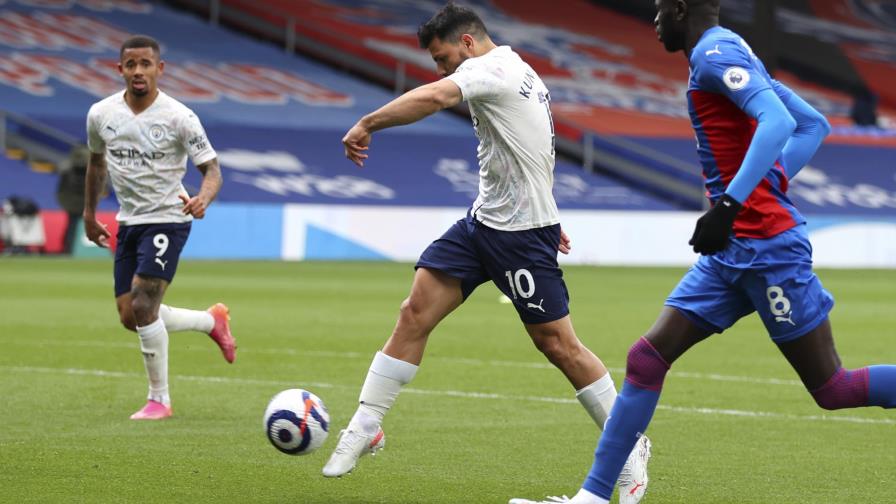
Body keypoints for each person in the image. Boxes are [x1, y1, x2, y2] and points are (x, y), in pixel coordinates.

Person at [511, 1, 896, 503]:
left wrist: (731, 205)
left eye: (658, 9)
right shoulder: (727, 53)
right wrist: (758, 192)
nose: (654, 21)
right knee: (647, 358)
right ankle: (594, 496)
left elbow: (779, 123)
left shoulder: (717, 54)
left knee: (832, 388)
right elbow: (814, 124)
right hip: (731, 253)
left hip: (767, 252)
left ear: (679, 9)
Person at [322, 3, 650, 501]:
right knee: (414, 312)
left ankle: (629, 447)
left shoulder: (490, 69)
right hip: (483, 223)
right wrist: (548, 207)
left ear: (468, 43)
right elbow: (531, 146)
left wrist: (367, 123)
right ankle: (366, 426)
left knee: (558, 346)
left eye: (442, 58)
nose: (441, 69)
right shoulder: (519, 71)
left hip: (521, 235)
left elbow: (435, 97)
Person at [84, 35, 237, 421]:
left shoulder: (179, 117)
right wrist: (88, 213)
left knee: (143, 303)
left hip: (169, 216)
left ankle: (159, 400)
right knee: (130, 315)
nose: (138, 71)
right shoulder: (101, 114)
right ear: (120, 69)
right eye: (131, 64)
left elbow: (212, 170)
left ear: (160, 69)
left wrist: (203, 198)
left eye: (146, 64)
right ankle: (210, 321)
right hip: (129, 220)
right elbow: (96, 164)